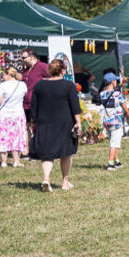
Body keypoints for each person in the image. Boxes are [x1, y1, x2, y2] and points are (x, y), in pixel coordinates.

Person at [29, 58, 81, 192]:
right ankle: (65, 181)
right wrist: (78, 123)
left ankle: (46, 179)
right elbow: (75, 107)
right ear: (63, 70)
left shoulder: (39, 85)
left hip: (44, 123)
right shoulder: (68, 85)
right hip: (64, 124)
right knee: (66, 153)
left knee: (47, 154)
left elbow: (33, 106)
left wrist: (33, 122)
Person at [0, 67, 28, 167]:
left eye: (3, 75)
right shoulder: (22, 85)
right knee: (17, 138)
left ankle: (3, 162)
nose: (2, 77)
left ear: (8, 75)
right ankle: (16, 161)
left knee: (3, 138)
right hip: (18, 114)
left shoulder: (2, 86)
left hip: (5, 115)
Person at [99, 73, 129, 171]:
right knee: (114, 143)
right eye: (115, 81)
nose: (116, 83)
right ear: (112, 82)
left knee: (113, 140)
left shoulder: (102, 94)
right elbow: (125, 109)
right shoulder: (117, 94)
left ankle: (117, 161)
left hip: (107, 121)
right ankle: (110, 163)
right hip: (116, 121)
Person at [20, 47, 48, 123]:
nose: (22, 60)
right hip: (25, 105)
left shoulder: (43, 66)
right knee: (27, 128)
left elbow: (53, 79)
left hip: (38, 105)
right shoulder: (25, 70)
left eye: (24, 58)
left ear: (31, 57)